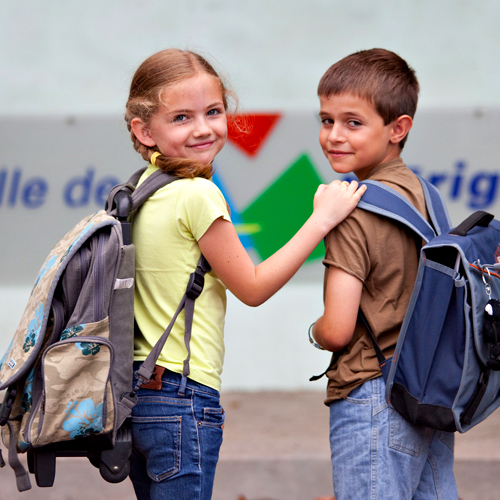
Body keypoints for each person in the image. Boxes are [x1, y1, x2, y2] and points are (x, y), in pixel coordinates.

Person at [123, 48, 366, 500]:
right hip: (183, 395)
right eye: (181, 117)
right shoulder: (197, 195)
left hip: (138, 396)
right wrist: (320, 221)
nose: (203, 128)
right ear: (144, 129)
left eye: (213, 111)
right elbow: (252, 288)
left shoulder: (138, 190)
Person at [309, 48, 458, 499]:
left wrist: (313, 332)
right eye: (326, 120)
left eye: (353, 122)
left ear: (399, 128)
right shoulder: (425, 196)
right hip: (424, 397)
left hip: (372, 398)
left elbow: (337, 330)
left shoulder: (351, 208)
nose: (334, 135)